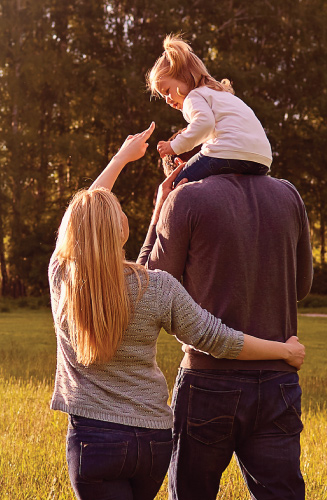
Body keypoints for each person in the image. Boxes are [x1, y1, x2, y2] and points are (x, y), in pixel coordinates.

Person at [49, 122, 306, 500]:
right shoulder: (155, 289)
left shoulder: (63, 279)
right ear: (121, 229)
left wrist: (122, 158)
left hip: (94, 441)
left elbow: (86, 214)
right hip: (152, 442)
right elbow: (216, 337)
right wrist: (283, 350)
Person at [137, 116, 314, 498]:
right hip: (278, 380)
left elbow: (148, 289)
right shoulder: (289, 195)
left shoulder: (185, 199)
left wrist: (161, 209)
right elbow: (301, 287)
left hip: (208, 381)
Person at [148, 35, 272, 186]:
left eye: (167, 91)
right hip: (262, 158)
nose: (167, 100)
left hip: (229, 151)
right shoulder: (220, 95)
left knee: (179, 182)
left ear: (184, 77)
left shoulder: (193, 97)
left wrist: (173, 146)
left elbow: (204, 124)